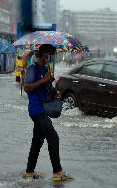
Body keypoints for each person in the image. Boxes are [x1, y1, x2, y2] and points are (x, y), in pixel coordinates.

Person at [23, 44, 73, 181]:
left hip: (43, 108)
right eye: (50, 54)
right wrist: (43, 80)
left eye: (52, 55)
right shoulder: (32, 69)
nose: (51, 57)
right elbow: (27, 87)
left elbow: (45, 90)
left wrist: (53, 87)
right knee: (53, 137)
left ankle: (29, 172)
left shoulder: (45, 69)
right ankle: (57, 171)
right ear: (43, 54)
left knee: (37, 141)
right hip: (36, 109)